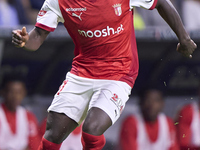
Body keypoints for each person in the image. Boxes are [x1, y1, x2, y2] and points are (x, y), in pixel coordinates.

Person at [11, 0, 197, 149]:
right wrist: (24, 41)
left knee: (92, 129)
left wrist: (185, 39)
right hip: (81, 73)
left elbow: (162, 2)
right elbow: (37, 38)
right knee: (52, 136)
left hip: (119, 73)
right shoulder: (58, 2)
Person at [0, 74, 41, 150]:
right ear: (3, 92)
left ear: (24, 93)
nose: (15, 96)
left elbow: (35, 146)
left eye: (19, 92)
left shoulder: (28, 117)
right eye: (11, 92)